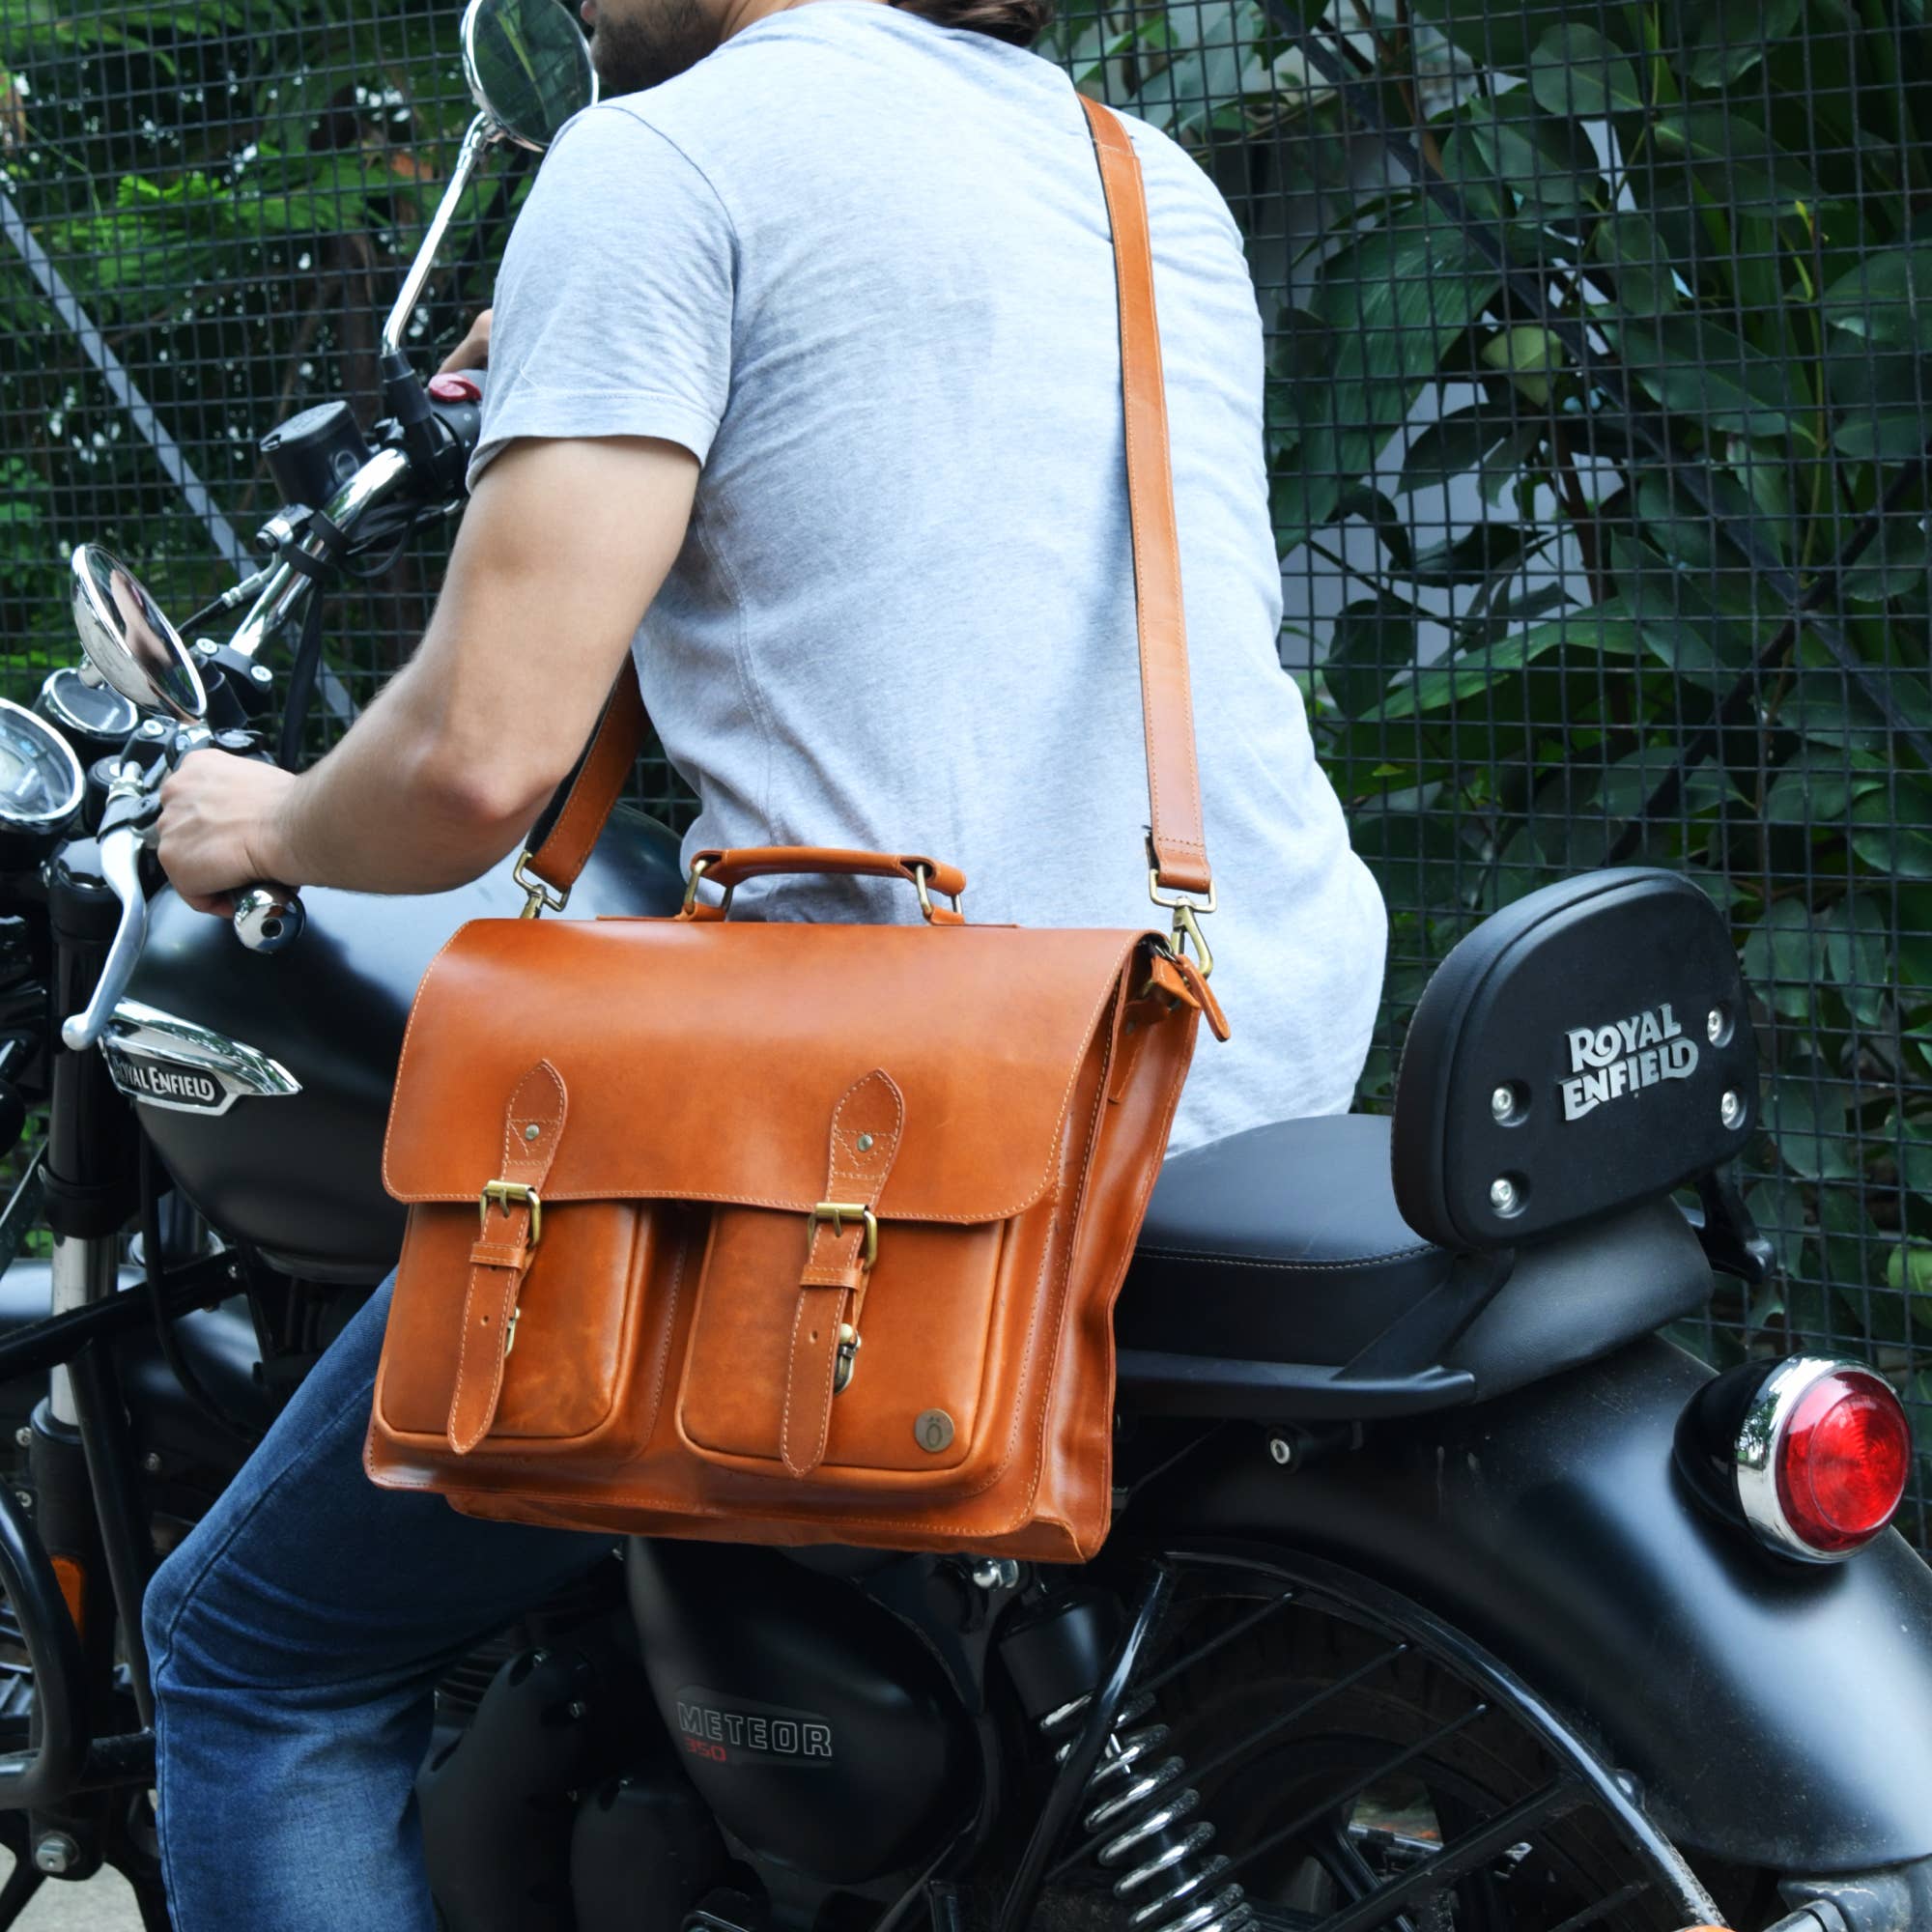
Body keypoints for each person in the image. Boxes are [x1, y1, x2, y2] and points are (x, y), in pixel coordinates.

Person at [143, 0, 1387, 1919]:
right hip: (1235, 1048)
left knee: (251, 1650)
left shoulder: (660, 159)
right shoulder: (1142, 176)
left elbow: (476, 762)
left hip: (923, 1128)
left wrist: (272, 823)